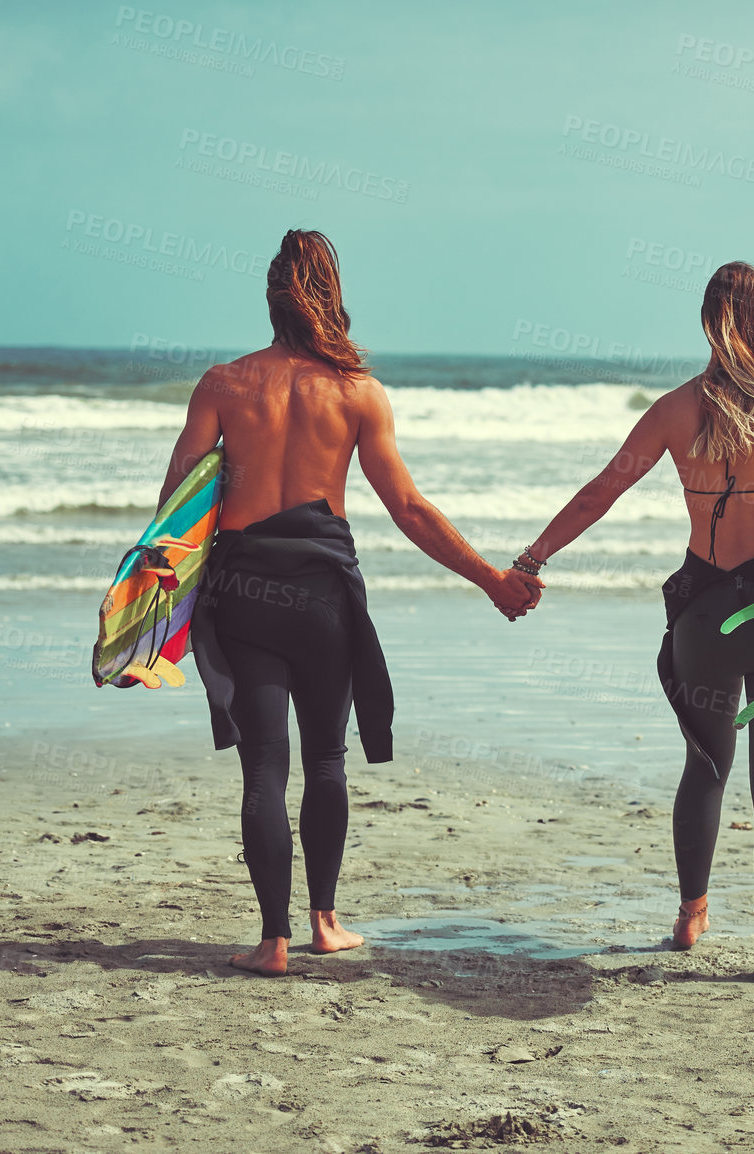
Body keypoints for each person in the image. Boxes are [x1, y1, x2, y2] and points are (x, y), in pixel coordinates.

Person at [156, 229, 540, 976]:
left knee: (265, 765)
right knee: (326, 758)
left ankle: (272, 943)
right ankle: (325, 924)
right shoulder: (359, 392)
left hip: (243, 595)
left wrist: (148, 614)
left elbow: (177, 502)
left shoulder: (223, 384)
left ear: (269, 298)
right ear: (334, 299)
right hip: (323, 598)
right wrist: (492, 579)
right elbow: (408, 507)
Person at [513, 262, 754, 985]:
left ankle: (690, 916)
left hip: (701, 620)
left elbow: (601, 493)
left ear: (707, 323)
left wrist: (532, 557)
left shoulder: (675, 411)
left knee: (705, 766)